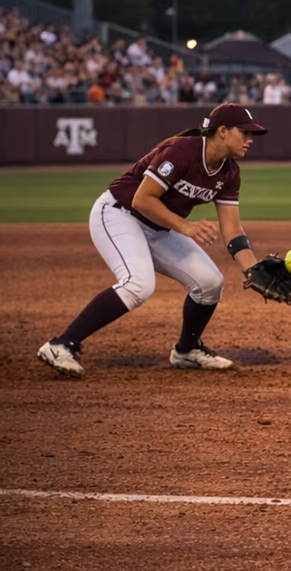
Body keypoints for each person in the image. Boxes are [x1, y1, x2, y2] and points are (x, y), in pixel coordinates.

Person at [38, 102, 271, 376]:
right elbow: (142, 199)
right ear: (222, 131)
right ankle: (61, 344)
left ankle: (187, 350)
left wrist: (254, 270)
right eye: (244, 133)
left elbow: (233, 230)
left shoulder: (229, 172)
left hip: (159, 225)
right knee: (138, 284)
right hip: (119, 214)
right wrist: (186, 227)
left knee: (210, 283)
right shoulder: (182, 151)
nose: (250, 140)